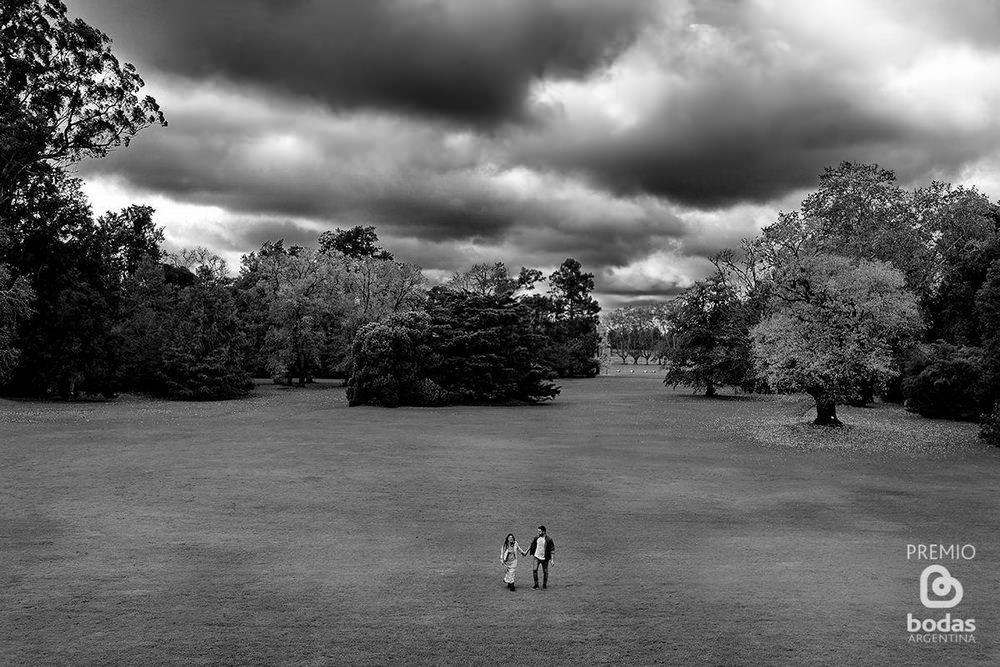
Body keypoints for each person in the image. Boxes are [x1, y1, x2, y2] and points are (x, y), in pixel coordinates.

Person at [526, 525, 555, 589]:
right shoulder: (537, 537)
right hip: (536, 557)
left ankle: (544, 585)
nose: (538, 533)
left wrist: (552, 560)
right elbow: (531, 545)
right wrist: (526, 552)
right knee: (534, 570)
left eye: (540, 531)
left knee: (545, 571)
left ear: (544, 531)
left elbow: (552, 550)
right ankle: (536, 585)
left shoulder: (549, 539)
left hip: (545, 558)